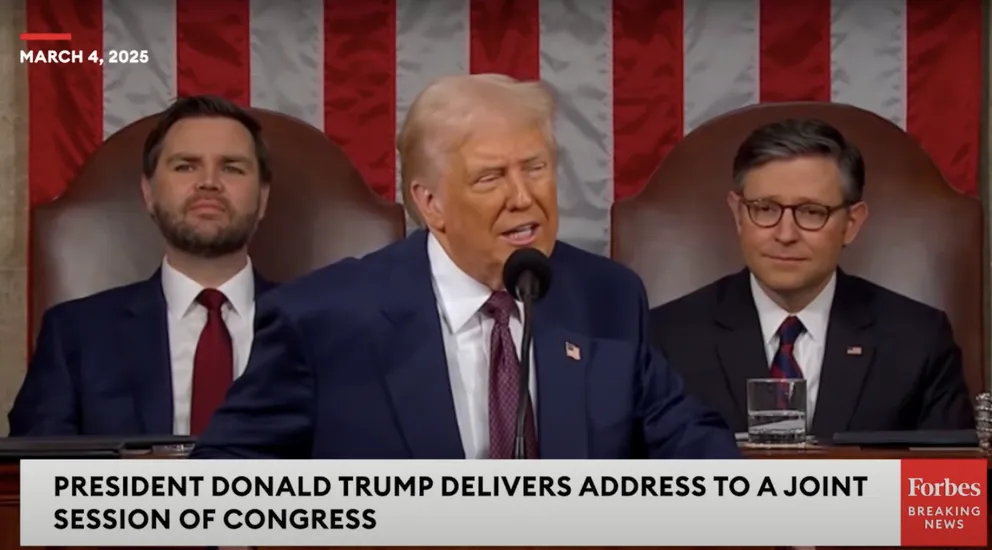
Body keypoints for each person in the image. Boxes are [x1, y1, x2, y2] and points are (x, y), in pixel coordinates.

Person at [190, 74, 739, 459]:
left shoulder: (607, 296)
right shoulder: (322, 318)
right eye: (490, 178)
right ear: (430, 203)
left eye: (536, 168)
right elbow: (226, 477)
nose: (524, 197)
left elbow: (688, 438)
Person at [649, 118, 974, 437]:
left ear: (852, 223)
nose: (785, 234)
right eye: (764, 209)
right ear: (738, 214)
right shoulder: (666, 338)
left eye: (811, 212)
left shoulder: (918, 339)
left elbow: (947, 487)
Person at [8, 95, 276, 437]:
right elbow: (34, 478)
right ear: (148, 193)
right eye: (185, 166)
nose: (209, 182)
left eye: (232, 167)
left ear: (263, 197)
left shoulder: (321, 330)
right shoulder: (74, 334)